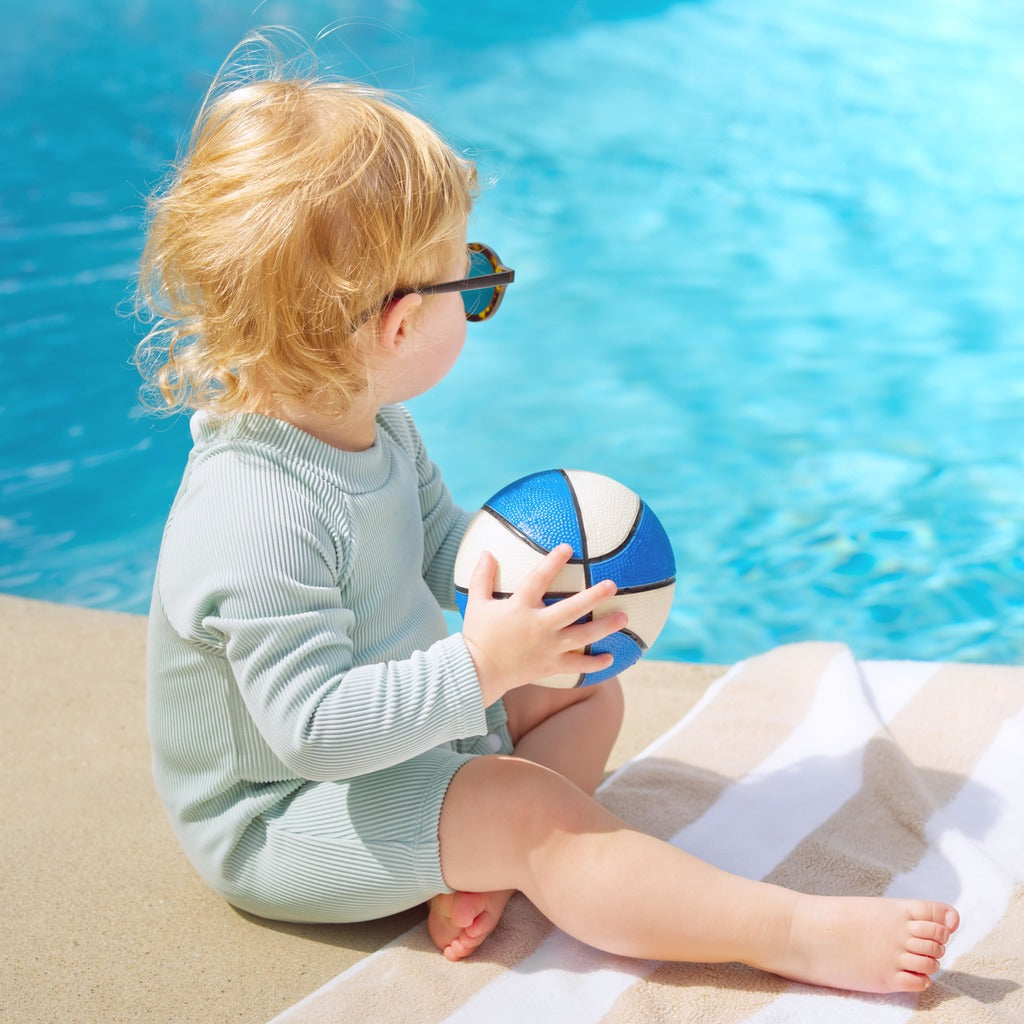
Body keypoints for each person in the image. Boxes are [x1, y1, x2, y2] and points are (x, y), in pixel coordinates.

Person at [136, 37, 958, 994]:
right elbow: (311, 729)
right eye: (471, 280)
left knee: (580, 688)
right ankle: (784, 931)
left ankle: (474, 857)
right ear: (400, 325)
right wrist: (487, 662)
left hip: (397, 731)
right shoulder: (255, 509)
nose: (481, 293)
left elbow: (449, 548)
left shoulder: (375, 426)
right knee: (524, 803)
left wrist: (549, 585)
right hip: (289, 815)